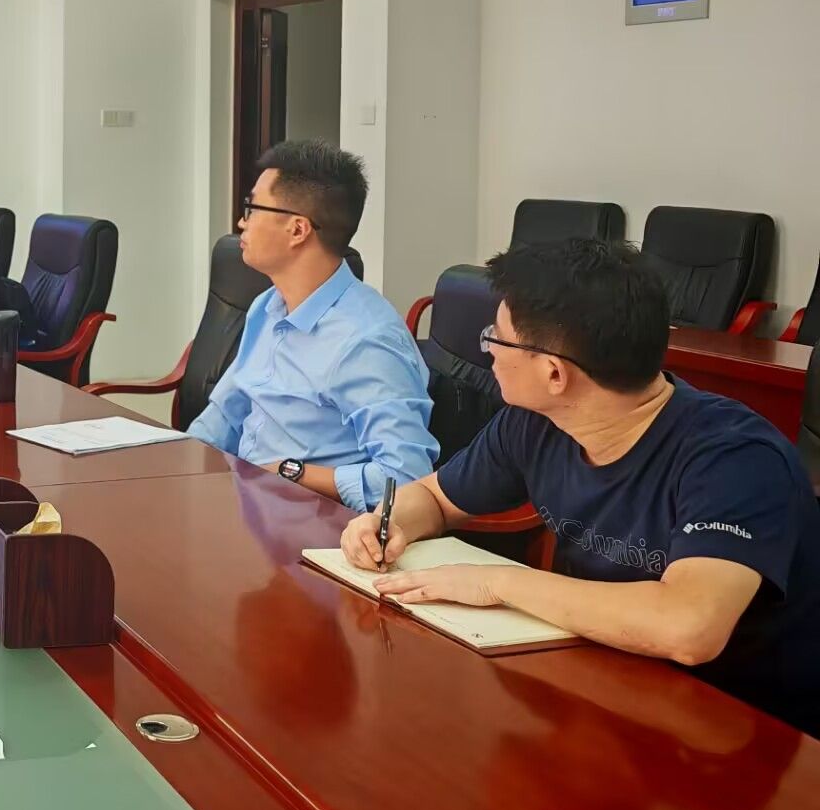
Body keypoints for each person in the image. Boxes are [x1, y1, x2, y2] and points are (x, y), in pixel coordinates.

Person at [343, 239, 820, 739]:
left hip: (744, 731)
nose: (489, 353)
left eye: (496, 339)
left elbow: (690, 627)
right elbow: (437, 498)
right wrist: (387, 522)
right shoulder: (536, 422)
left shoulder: (734, 459)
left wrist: (498, 583)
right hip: (606, 686)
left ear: (554, 372)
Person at [186, 140, 436, 509]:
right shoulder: (267, 306)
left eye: (252, 208)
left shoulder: (365, 340)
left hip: (312, 523)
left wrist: (291, 472)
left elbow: (406, 478)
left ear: (298, 229)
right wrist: (175, 465)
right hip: (249, 505)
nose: (242, 222)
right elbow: (227, 413)